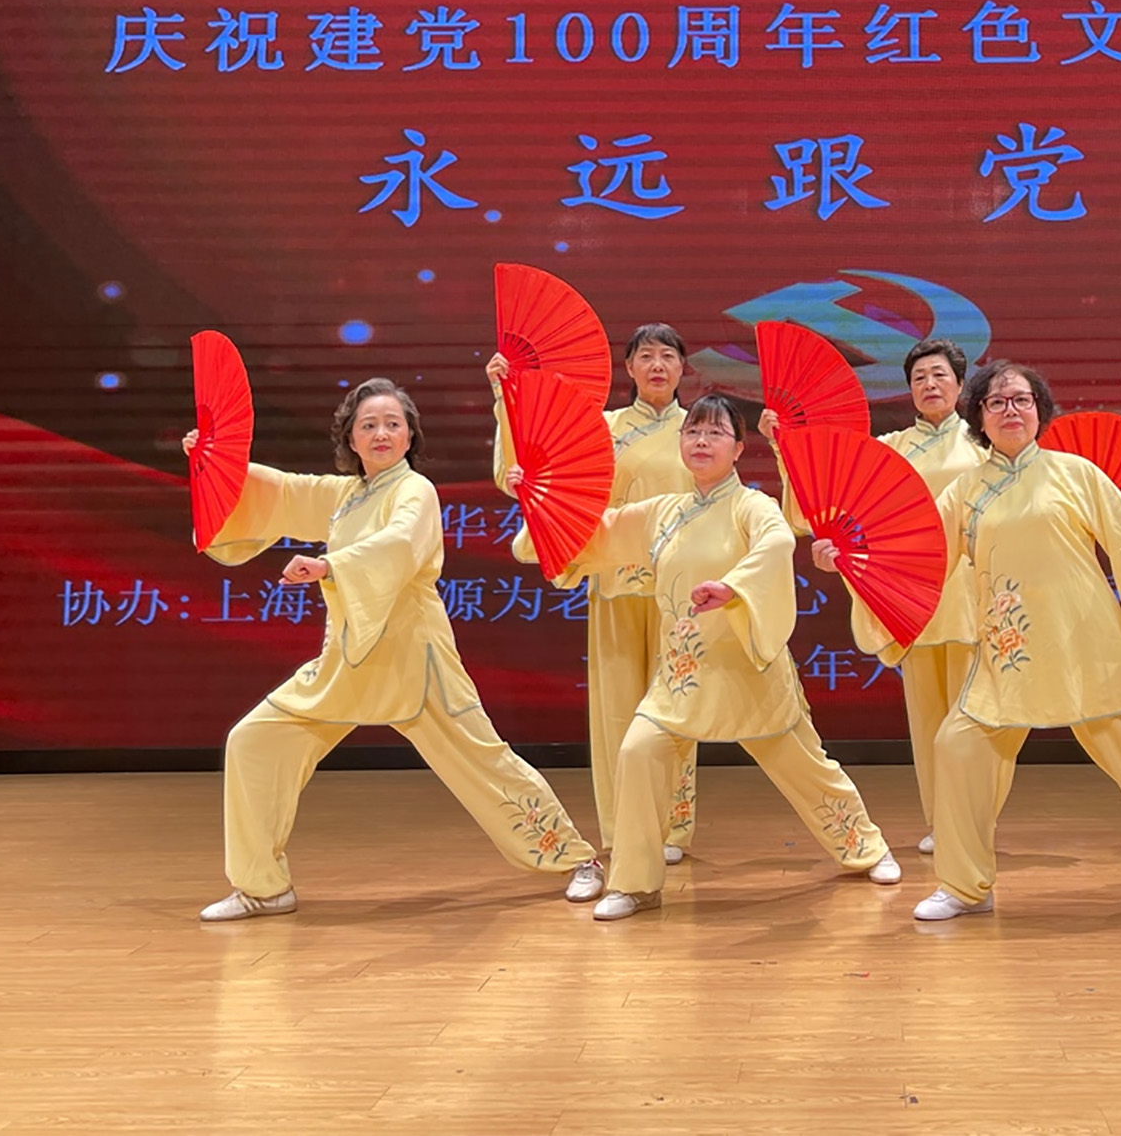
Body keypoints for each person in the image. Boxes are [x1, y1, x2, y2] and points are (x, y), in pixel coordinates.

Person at [821, 360, 1121, 921]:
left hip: (1087, 646)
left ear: (1040, 410)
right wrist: (850, 560)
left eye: (1021, 400)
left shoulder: (1075, 474)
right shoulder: (966, 492)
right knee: (959, 747)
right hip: (1007, 654)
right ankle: (965, 885)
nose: (1010, 410)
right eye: (997, 402)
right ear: (979, 417)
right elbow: (917, 556)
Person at [188, 378, 603, 922]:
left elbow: (400, 543)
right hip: (348, 659)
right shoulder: (345, 496)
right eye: (368, 425)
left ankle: (577, 859)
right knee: (255, 741)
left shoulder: (415, 491)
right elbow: (279, 492)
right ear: (351, 439)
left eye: (392, 424)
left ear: (410, 435)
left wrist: (330, 565)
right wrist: (212, 461)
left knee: (482, 759)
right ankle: (263, 887)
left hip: (415, 658)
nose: (381, 433)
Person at [511, 394, 902, 921]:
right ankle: (635, 883)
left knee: (806, 768)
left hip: (747, 672)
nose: (701, 441)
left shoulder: (751, 507)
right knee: (639, 752)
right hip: (681, 678)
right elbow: (592, 533)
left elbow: (776, 544)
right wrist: (538, 501)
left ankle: (867, 848)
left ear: (738, 448)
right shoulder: (661, 513)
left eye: (716, 433)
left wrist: (733, 589)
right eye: (693, 432)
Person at [761, 337, 988, 857]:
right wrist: (783, 444)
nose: (930, 385)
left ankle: (975, 820)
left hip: (970, 593)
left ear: (960, 384)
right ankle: (942, 821)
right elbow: (829, 488)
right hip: (911, 600)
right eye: (919, 378)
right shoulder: (891, 448)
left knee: (974, 722)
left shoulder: (983, 445)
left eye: (940, 375)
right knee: (928, 723)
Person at [489, 324, 698, 867]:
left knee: (676, 708)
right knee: (616, 715)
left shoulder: (698, 430)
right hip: (616, 580)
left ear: (683, 368)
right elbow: (528, 471)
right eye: (646, 356)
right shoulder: (601, 427)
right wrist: (506, 400)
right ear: (628, 368)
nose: (657, 365)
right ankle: (623, 827)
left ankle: (672, 827)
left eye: (668, 356)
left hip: (678, 588)